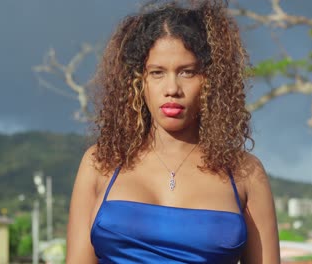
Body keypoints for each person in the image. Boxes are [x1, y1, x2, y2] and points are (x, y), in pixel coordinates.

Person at [66, 1, 280, 263]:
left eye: (187, 72)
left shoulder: (245, 173)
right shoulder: (101, 163)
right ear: (137, 81)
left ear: (210, 80)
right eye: (157, 73)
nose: (172, 88)